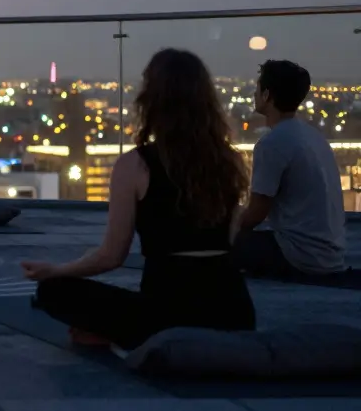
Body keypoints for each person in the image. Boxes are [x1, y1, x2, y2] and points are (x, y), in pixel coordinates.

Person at [21, 49, 255, 350]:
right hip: (234, 312)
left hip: (166, 316)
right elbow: (231, 239)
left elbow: (111, 256)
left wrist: (55, 271)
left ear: (151, 100)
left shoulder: (136, 165)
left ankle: (112, 333)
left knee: (54, 291)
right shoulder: (231, 161)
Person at [235, 60, 348, 279]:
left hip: (299, 256)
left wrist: (223, 224)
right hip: (330, 255)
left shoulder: (271, 143)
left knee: (212, 243)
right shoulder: (313, 136)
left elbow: (255, 215)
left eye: (257, 89)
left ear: (267, 95)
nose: (254, 94)